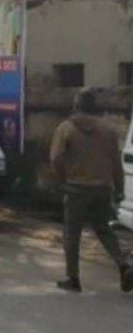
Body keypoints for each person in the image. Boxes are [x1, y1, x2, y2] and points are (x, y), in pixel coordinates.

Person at [49, 89, 133, 293]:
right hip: (103, 189)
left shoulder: (66, 128)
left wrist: (62, 180)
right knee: (104, 229)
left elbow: (55, 158)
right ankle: (123, 265)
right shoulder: (109, 130)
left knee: (72, 233)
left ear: (76, 105)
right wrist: (119, 190)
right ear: (95, 106)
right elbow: (116, 163)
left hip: (76, 188)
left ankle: (73, 278)